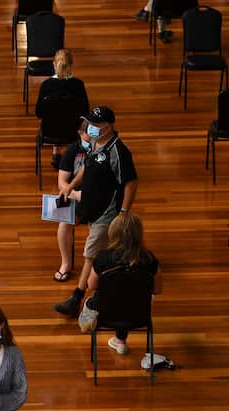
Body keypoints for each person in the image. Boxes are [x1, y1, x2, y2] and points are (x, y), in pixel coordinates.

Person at [54, 105, 138, 319]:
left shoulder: (118, 151)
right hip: (90, 207)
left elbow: (130, 183)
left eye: (95, 124)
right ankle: (101, 291)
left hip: (107, 213)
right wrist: (71, 185)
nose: (90, 127)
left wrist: (123, 212)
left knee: (90, 254)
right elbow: (86, 168)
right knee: (98, 252)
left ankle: (77, 297)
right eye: (90, 123)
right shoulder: (93, 143)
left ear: (108, 127)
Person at [81, 213, 162, 356]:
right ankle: (120, 340)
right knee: (130, 295)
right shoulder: (149, 258)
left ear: (113, 232)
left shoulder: (103, 258)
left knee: (105, 297)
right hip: (138, 313)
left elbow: (91, 285)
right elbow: (157, 289)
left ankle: (95, 328)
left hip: (107, 313)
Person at [51, 121, 92, 283]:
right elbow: (62, 182)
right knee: (64, 222)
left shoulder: (103, 150)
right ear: (80, 134)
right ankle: (66, 264)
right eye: (88, 135)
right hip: (76, 197)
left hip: (98, 199)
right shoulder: (73, 151)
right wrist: (74, 193)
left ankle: (94, 266)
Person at [35, 49, 89, 120]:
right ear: (71, 65)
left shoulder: (46, 85)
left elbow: (39, 113)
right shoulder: (78, 84)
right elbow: (85, 112)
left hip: (50, 129)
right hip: (72, 129)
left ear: (54, 64)